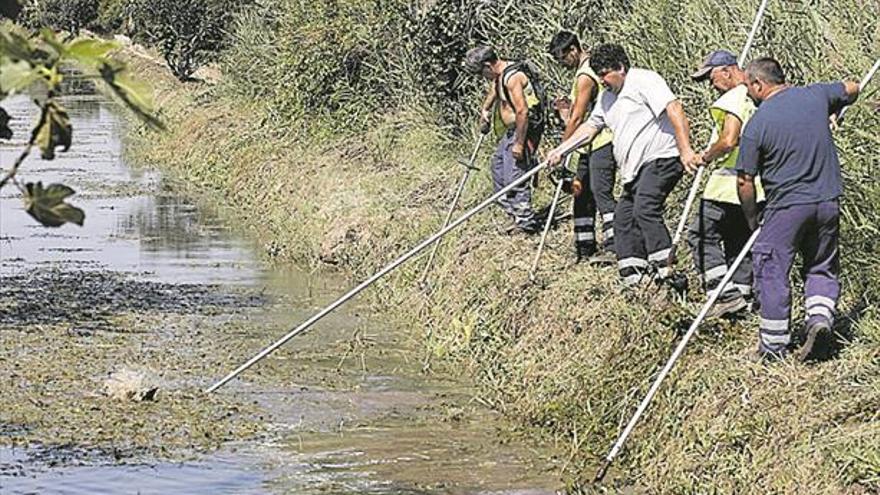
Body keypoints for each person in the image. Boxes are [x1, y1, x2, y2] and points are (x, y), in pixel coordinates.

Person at [548, 43, 701, 289]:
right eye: (598, 75)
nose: (602, 80)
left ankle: (667, 272)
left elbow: (674, 109)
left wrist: (685, 149)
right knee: (623, 219)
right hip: (634, 171)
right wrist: (561, 150)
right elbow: (590, 128)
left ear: (620, 67)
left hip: (662, 157)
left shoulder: (644, 80)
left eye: (605, 74)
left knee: (645, 208)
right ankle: (635, 281)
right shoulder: (607, 98)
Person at [736, 57, 859, 361]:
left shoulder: (758, 123)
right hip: (828, 201)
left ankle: (773, 346)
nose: (748, 95)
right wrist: (834, 109)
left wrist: (752, 219)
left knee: (771, 269)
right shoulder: (816, 95)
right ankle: (819, 321)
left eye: (748, 88)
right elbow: (853, 87)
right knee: (820, 264)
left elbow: (744, 181)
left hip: (787, 207)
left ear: (758, 84)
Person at [687, 50, 764, 318]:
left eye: (711, 76)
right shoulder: (761, 96)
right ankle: (741, 295)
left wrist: (705, 156)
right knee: (739, 239)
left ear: (728, 71)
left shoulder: (732, 98)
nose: (711, 84)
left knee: (700, 234)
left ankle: (722, 293)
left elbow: (729, 139)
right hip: (757, 185)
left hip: (726, 185)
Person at [548, 31, 616, 263]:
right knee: (580, 192)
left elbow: (577, 119)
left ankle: (616, 245)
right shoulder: (584, 72)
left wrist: (562, 148)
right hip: (586, 145)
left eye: (561, 58)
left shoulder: (586, 75)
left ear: (573, 50)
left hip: (600, 141)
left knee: (600, 191)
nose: (561, 64)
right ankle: (585, 246)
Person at [465, 45, 544, 234]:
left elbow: (522, 111)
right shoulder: (500, 75)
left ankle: (526, 222)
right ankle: (514, 215)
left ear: (487, 66)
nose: (482, 77)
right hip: (510, 131)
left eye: (481, 73)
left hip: (523, 130)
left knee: (514, 176)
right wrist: (485, 108)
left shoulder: (512, 77)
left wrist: (519, 143)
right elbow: (495, 89)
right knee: (498, 168)